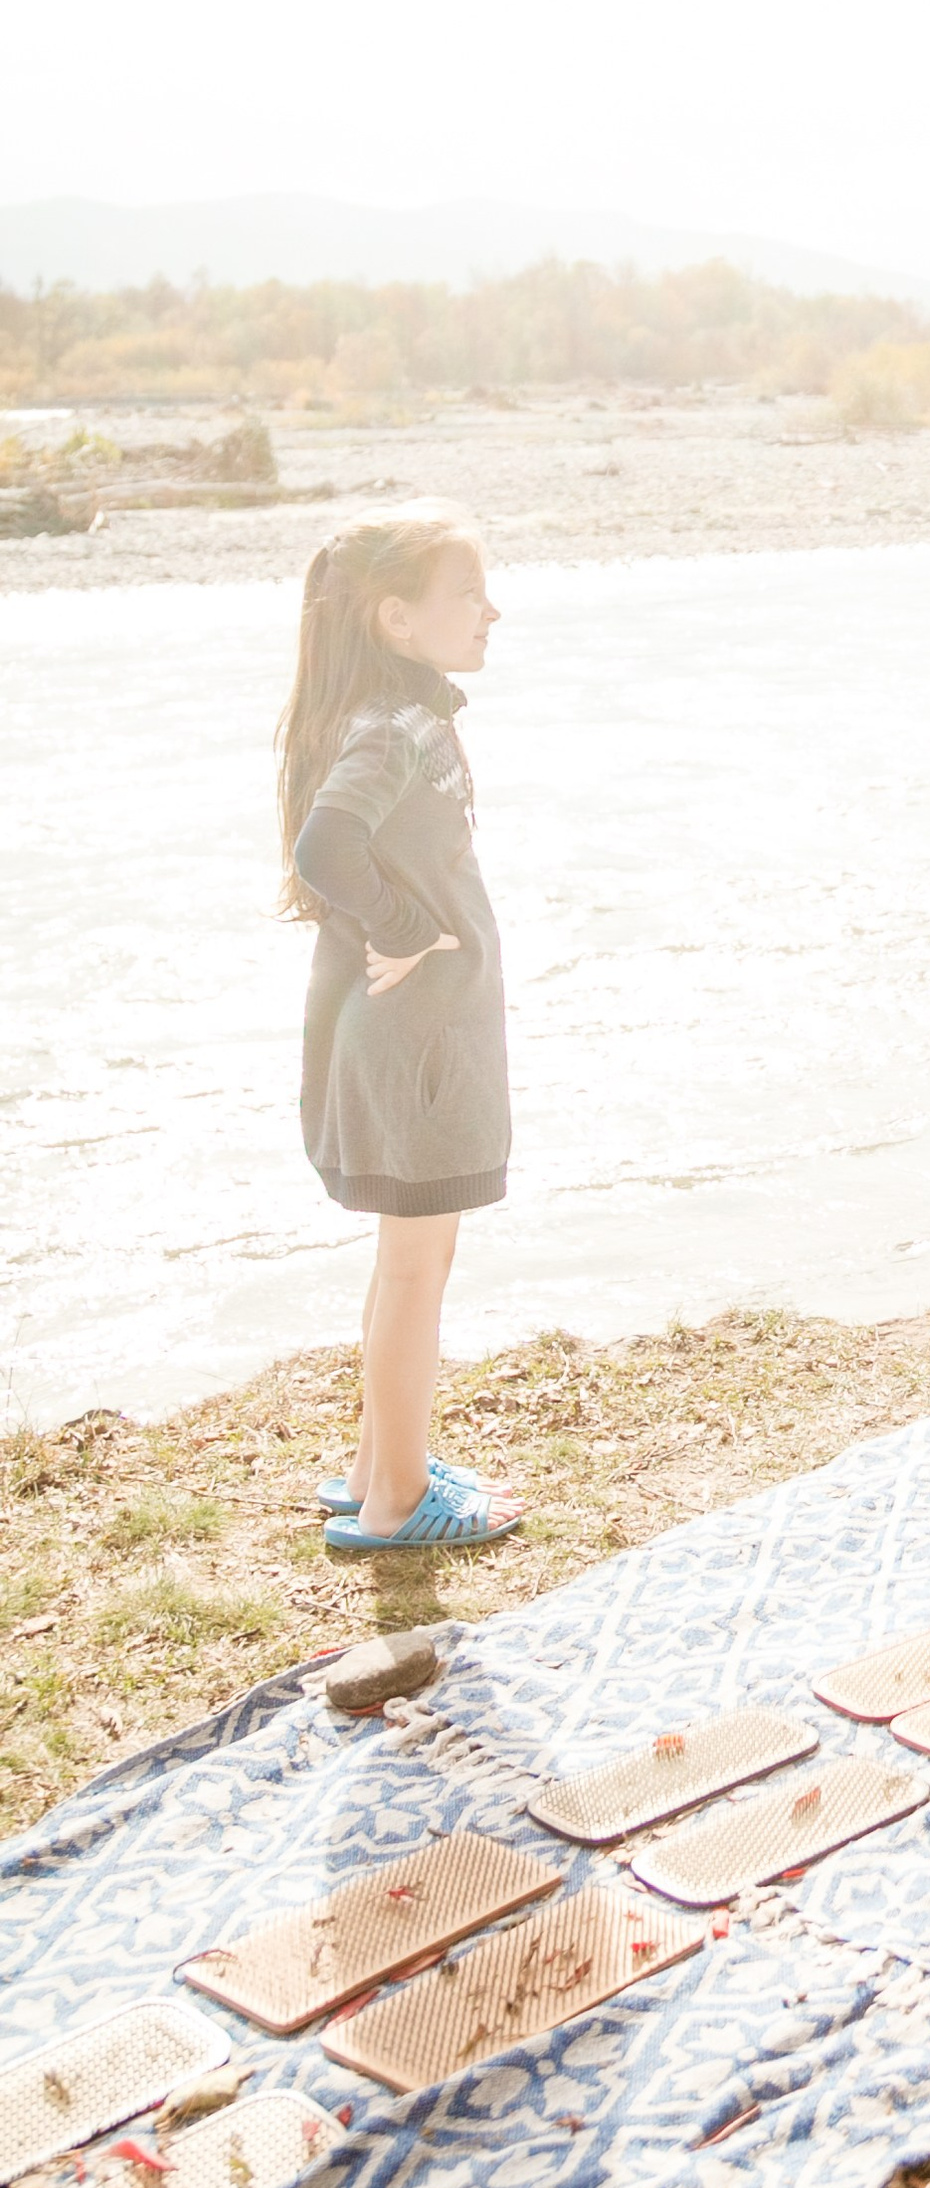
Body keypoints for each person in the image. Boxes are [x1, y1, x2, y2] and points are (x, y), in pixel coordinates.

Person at [277, 512, 523, 1553]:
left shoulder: (388, 714)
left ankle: (388, 1466)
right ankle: (393, 1505)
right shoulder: (392, 729)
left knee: (408, 1263)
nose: (491, 610)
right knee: (418, 1270)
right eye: (467, 593)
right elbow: (324, 849)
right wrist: (410, 928)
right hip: (415, 1051)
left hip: (412, 1044)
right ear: (396, 618)